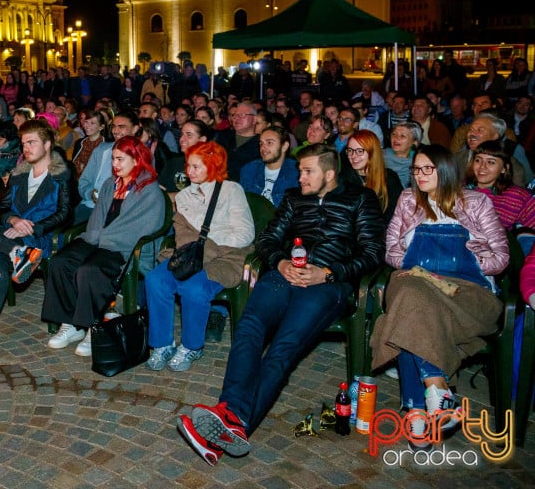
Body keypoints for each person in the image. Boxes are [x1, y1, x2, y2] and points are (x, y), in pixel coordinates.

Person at [177, 144, 385, 466]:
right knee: (248, 327)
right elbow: (267, 240)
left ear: (329, 174)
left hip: (329, 286)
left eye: (307, 171)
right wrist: (281, 261)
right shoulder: (293, 198)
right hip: (284, 276)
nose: (299, 176)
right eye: (299, 170)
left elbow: (373, 253)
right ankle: (230, 416)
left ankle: (234, 422)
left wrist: (329, 273)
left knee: (283, 347)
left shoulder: (360, 199)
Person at [370, 144, 509, 451]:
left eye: (427, 169)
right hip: (418, 284)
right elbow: (391, 250)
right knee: (411, 295)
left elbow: (501, 258)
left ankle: (416, 408)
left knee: (408, 309)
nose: (419, 175)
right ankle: (436, 392)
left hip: (465, 293)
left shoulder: (475, 203)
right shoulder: (408, 200)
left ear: (445, 171)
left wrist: (472, 260)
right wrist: (413, 264)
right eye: (416, 169)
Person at [0, 119, 75, 356]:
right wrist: (13, 220)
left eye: (32, 142)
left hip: (40, 238)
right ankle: (16, 253)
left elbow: (66, 213)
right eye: (23, 144)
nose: (26, 148)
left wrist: (32, 227)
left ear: (48, 144)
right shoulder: (19, 174)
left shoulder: (62, 174)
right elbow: (1, 209)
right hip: (13, 236)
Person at [42, 135, 166, 357]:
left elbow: (142, 227)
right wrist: (93, 238)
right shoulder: (110, 184)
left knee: (90, 270)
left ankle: (93, 326)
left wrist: (102, 239)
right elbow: (97, 218)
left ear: (137, 160)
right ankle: (70, 324)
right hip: (98, 240)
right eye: (113, 160)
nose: (115, 165)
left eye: (120, 159)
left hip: (124, 248)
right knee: (60, 262)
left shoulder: (149, 190)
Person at [144, 142, 254, 372]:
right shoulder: (183, 196)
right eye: (188, 166)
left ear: (213, 166)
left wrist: (209, 243)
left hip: (227, 257)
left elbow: (244, 234)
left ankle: (192, 346)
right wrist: (203, 243)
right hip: (192, 255)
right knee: (156, 280)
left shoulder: (232, 191)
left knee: (193, 288)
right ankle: (162, 344)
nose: (189, 172)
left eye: (196, 166)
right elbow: (183, 234)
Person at [465, 139, 535, 235]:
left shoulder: (514, 196)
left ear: (504, 169)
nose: (482, 166)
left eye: (491, 162)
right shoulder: (462, 190)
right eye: (478, 160)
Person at [342, 129, 403, 224]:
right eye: (350, 150)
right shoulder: (344, 178)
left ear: (372, 152)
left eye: (359, 151)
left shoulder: (389, 178)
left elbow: (396, 215)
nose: (353, 156)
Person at [239, 125, 299, 207]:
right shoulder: (249, 169)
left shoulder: (296, 172)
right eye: (261, 143)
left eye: (269, 143)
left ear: (284, 146)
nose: (263, 147)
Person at [384, 120, 421, 189]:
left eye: (402, 136)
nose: (396, 138)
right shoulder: (380, 155)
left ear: (415, 142)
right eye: (394, 134)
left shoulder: (417, 162)